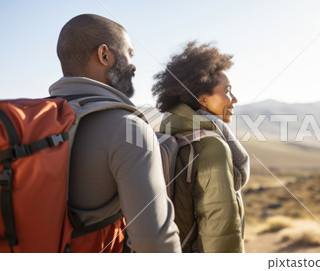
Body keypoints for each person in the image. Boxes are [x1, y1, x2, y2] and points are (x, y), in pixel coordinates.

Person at [49, 14, 181, 252]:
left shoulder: (38, 121)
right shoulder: (128, 128)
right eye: (129, 53)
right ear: (105, 55)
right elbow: (154, 243)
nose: (133, 64)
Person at [152, 41, 250, 252]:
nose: (234, 99)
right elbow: (220, 231)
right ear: (204, 99)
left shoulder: (171, 132)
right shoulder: (212, 147)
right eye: (227, 91)